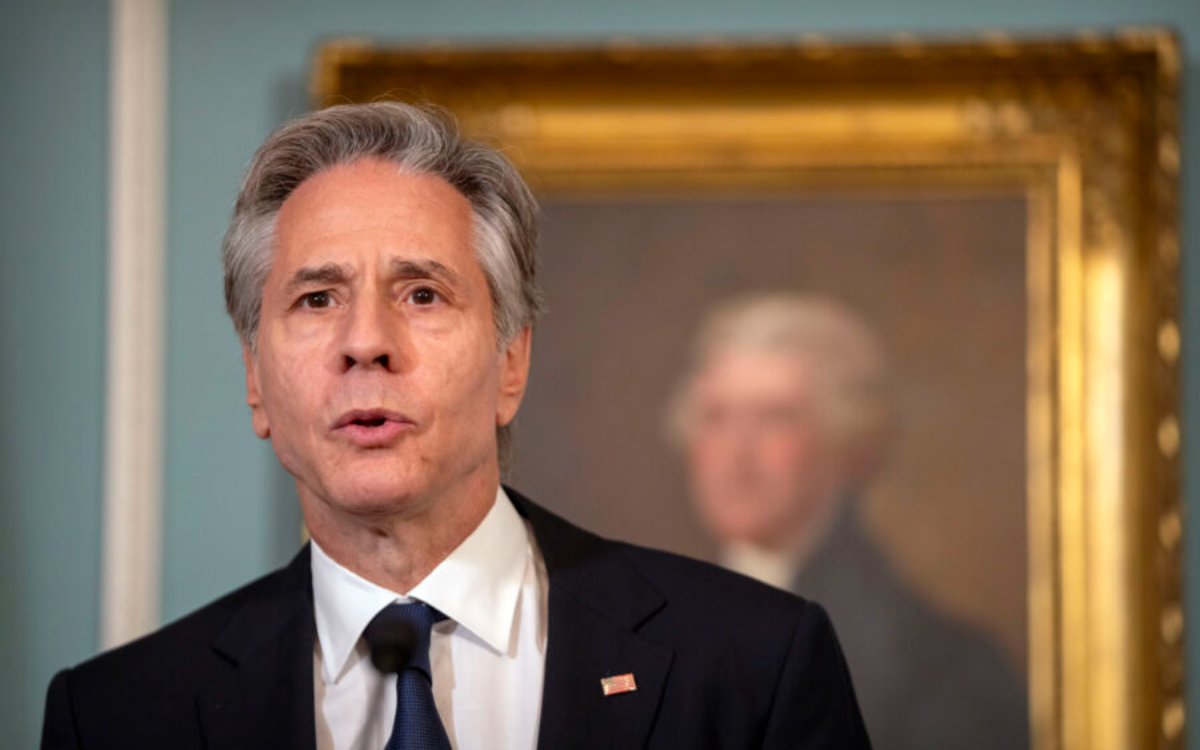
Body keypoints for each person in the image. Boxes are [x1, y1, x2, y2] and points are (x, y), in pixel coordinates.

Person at [41, 103, 871, 750]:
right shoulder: (114, 717)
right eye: (317, 298)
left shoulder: (754, 663)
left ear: (511, 361)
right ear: (255, 378)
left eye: (422, 294)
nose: (366, 342)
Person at [669, 293, 1028, 750]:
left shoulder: (945, 669)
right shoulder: (647, 620)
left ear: (846, 439)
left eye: (775, 418)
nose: (736, 453)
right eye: (715, 417)